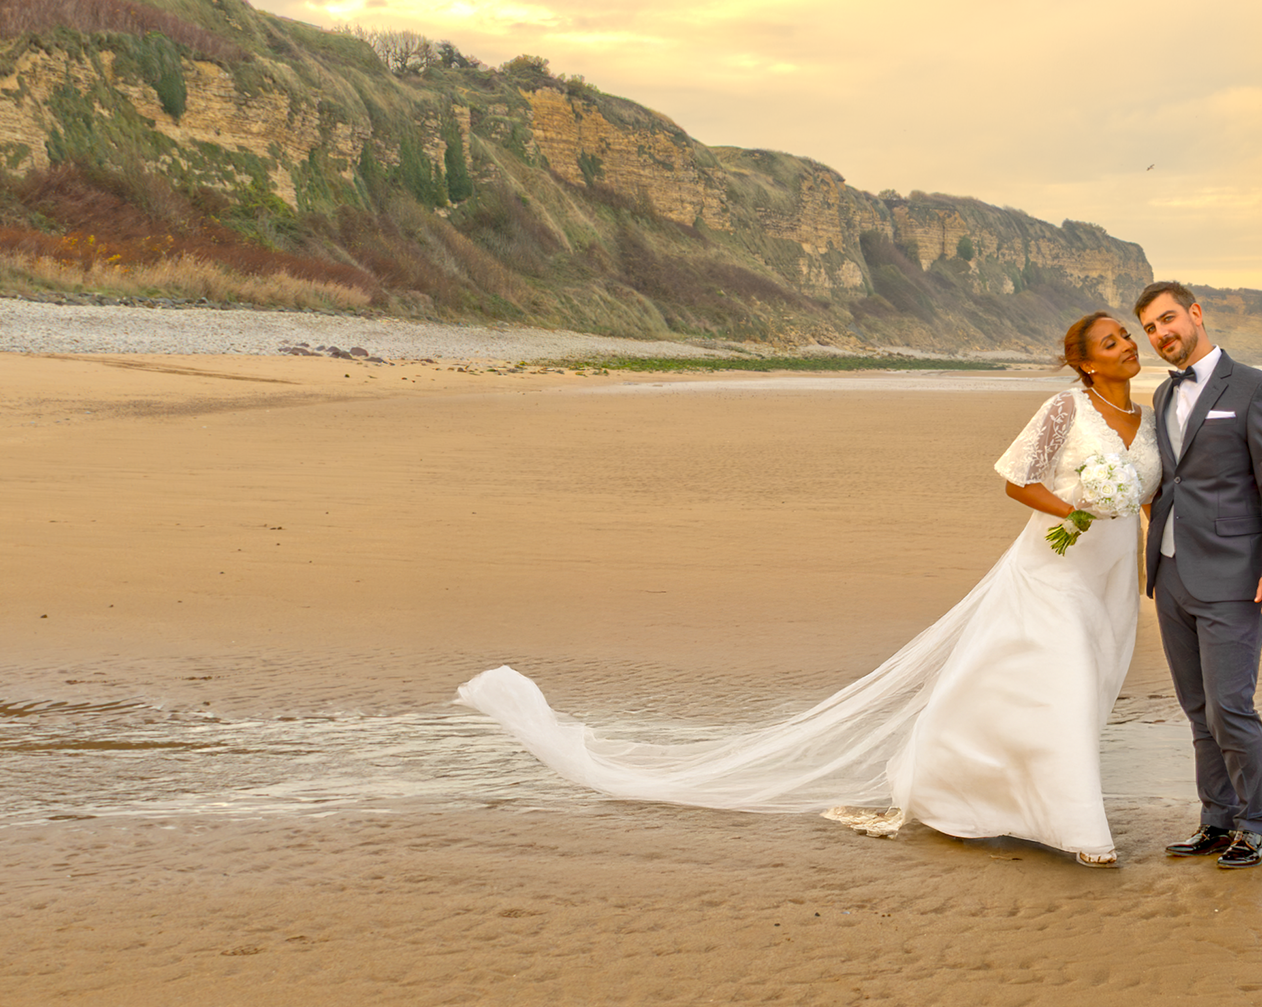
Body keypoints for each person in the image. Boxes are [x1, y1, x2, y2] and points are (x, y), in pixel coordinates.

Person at [456, 311, 1153, 865]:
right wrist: (1076, 510)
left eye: (1126, 335)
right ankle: (1079, 829)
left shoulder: (1148, 421)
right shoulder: (1065, 410)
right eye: (1111, 341)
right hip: (1054, 570)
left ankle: (966, 785)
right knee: (1061, 677)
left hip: (1113, 574)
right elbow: (1016, 480)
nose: (1126, 345)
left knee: (1080, 683)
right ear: (1086, 363)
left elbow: (1153, 495)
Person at [1133, 279, 1262, 868]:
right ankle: (1217, 819)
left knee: (1230, 707)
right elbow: (1171, 480)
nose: (1161, 334)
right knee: (1199, 709)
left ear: (1196, 314)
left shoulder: (1257, 388)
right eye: (1150, 329)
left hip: (1234, 574)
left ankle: (1257, 824)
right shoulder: (1161, 394)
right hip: (1172, 570)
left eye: (1168, 319)